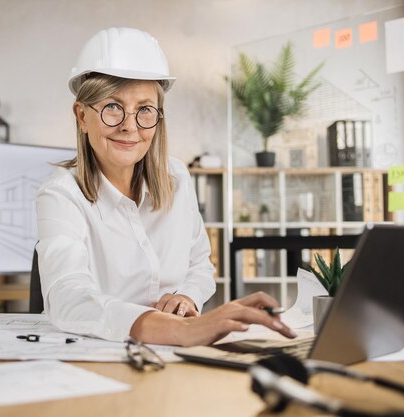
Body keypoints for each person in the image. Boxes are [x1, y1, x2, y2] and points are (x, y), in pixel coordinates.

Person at [36, 27, 296, 346]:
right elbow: (68, 297)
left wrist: (187, 297)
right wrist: (179, 330)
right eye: (112, 107)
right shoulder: (61, 193)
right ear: (81, 115)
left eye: (144, 109)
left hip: (175, 350)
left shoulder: (176, 176)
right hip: (106, 352)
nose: (130, 126)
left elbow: (200, 265)